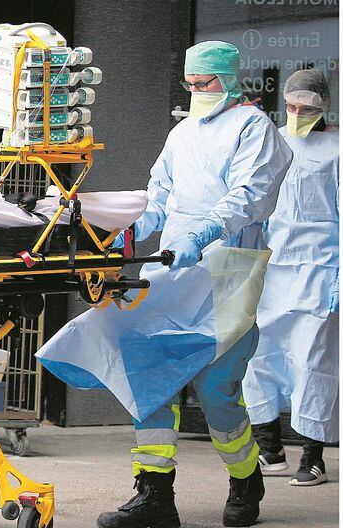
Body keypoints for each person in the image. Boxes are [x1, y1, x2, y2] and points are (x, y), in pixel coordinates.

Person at [36, 41, 292, 528]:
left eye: (205, 83)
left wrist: (203, 233)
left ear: (229, 79)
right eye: (189, 84)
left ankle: (246, 479)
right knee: (146, 371)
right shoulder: (182, 133)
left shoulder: (255, 129)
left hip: (225, 274)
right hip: (173, 272)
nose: (196, 91)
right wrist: (125, 232)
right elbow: (159, 197)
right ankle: (154, 494)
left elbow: (250, 196)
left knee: (216, 391)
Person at [242, 69, 339, 486]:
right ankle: (270, 448)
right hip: (274, 268)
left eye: (307, 108)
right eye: (292, 107)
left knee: (313, 359)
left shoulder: (337, 148)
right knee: (260, 356)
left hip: (320, 269)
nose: (298, 114)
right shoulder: (274, 142)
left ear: (324, 107)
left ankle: (313, 456)